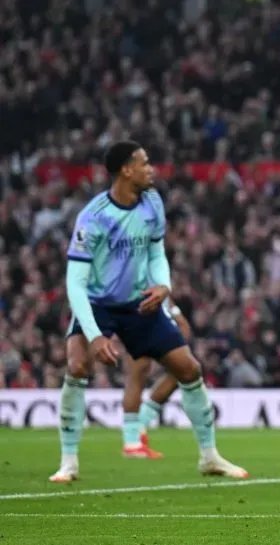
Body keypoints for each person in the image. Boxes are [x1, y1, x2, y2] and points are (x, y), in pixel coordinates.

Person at [50, 141, 247, 483]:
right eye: (144, 163)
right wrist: (95, 336)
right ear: (126, 170)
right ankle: (69, 462)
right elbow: (75, 285)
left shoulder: (153, 203)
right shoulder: (93, 218)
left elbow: (157, 254)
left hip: (140, 302)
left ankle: (209, 457)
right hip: (98, 303)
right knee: (77, 364)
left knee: (188, 368)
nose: (151, 169)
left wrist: (163, 286)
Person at [121, 297, 193, 459]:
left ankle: (139, 428)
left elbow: (185, 328)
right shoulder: (140, 287)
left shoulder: (163, 292)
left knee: (182, 372)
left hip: (156, 326)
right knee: (137, 375)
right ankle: (131, 442)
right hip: (137, 319)